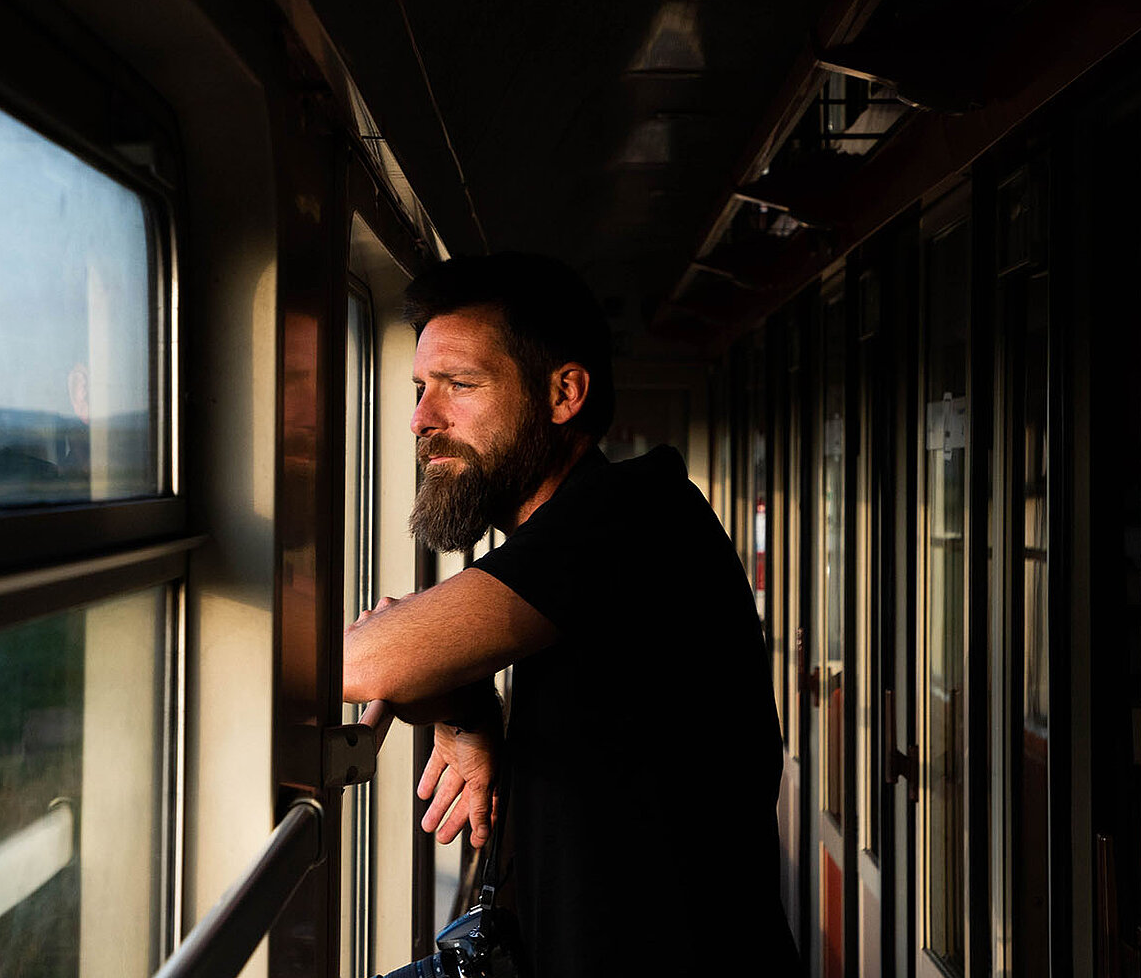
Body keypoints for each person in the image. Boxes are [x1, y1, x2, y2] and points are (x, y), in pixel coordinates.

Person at [342, 253, 799, 977]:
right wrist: (467, 712)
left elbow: (365, 660)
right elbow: (405, 651)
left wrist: (436, 672)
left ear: (564, 394)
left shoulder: (626, 519)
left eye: (460, 385)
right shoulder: (583, 540)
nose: (421, 419)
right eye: (421, 387)